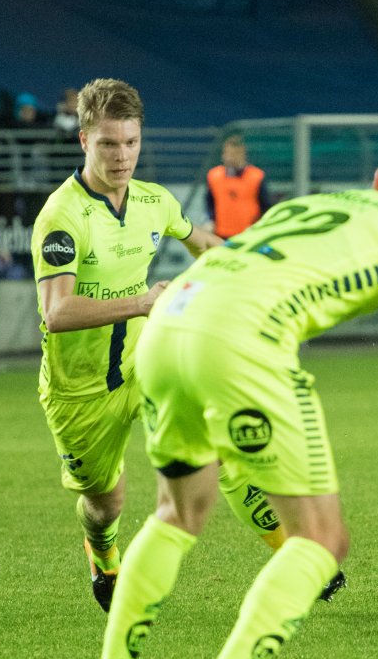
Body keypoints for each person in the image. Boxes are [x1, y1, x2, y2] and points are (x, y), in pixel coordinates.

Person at [84, 125, 378, 659]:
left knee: (176, 513)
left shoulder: (318, 203)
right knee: (321, 541)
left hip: (168, 321)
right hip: (242, 342)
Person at [32, 78, 292, 615]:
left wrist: (254, 271)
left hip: (150, 361)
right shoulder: (60, 217)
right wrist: (143, 302)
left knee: (220, 446)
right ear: (84, 141)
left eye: (130, 142)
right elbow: (57, 314)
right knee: (107, 504)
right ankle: (102, 553)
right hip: (80, 390)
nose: (122, 155)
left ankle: (297, 559)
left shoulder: (154, 201)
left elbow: (201, 242)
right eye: (108, 144)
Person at [205, 134, 270, 239]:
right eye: (227, 153)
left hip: (247, 235)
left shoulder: (256, 176)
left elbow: (265, 206)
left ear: (242, 154)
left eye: (233, 154)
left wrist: (258, 225)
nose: (229, 157)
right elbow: (209, 202)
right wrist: (210, 220)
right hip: (221, 234)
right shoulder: (214, 175)